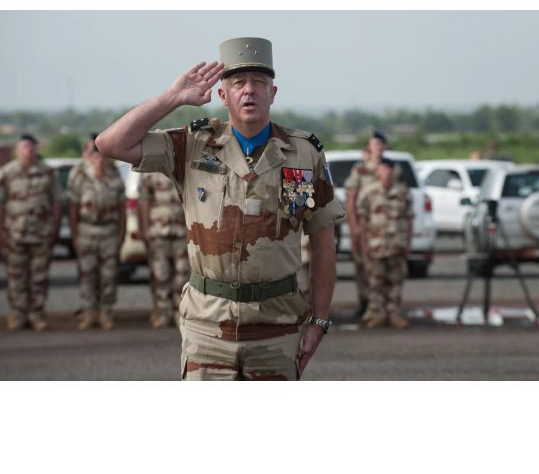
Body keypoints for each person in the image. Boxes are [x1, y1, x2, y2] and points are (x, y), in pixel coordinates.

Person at [95, 37, 344, 380]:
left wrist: (319, 321)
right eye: (238, 83)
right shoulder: (193, 145)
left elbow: (323, 241)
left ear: (273, 93)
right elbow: (110, 143)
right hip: (207, 330)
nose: (249, 91)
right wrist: (173, 97)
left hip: (278, 327)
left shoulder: (304, 153)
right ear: (222, 95)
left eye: (259, 83)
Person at [0, 134, 62, 331]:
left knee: (39, 278)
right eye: (24, 147)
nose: (28, 151)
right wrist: (1, 229)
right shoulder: (7, 173)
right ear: (17, 150)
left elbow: (56, 203)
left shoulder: (48, 172)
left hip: (41, 234)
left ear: (36, 149)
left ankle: (37, 315)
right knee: (16, 277)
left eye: (31, 147)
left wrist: (54, 228)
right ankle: (18, 315)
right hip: (14, 234)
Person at [68, 141, 126, 330]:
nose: (99, 160)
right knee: (87, 275)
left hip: (108, 232)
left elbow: (121, 210)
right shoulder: (81, 178)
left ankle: (106, 313)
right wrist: (75, 235)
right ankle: (88, 313)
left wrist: (120, 236)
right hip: (87, 231)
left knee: (108, 275)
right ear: (90, 158)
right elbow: (73, 209)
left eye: (102, 156)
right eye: (95, 156)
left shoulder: (115, 177)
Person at [356, 157, 413, 329]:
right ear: (378, 171)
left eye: (389, 170)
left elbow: (409, 219)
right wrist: (363, 243)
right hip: (376, 245)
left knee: (396, 282)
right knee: (375, 282)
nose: (386, 173)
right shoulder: (369, 192)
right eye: (383, 169)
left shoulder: (403, 193)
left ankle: (394, 314)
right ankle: (377, 314)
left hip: (397, 245)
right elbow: (363, 220)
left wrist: (408, 243)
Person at [138, 171, 190, 329]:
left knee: (182, 276)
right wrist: (145, 229)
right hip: (158, 232)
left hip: (182, 231)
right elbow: (144, 200)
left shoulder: (183, 162)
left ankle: (180, 314)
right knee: (160, 275)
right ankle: (162, 313)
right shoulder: (150, 168)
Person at [344, 131, 388, 316]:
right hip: (364, 227)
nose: (377, 148)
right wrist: (353, 227)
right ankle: (365, 302)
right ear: (368, 148)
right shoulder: (360, 170)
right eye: (374, 144)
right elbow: (351, 199)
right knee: (363, 266)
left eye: (380, 144)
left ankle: (381, 305)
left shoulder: (390, 170)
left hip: (386, 228)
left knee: (384, 267)